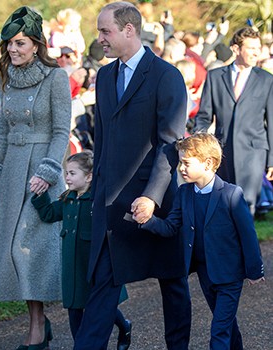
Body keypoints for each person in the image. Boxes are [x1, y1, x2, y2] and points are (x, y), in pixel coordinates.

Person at [73, 2, 190, 350]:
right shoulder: (105, 76)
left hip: (158, 201)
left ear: (129, 30)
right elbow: (104, 140)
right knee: (102, 285)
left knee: (173, 283)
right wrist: (97, 192)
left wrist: (152, 198)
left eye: (105, 31)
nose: (100, 39)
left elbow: (170, 144)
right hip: (112, 203)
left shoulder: (167, 76)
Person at [0, 6, 71, 350]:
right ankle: (37, 323)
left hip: (41, 175)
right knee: (13, 252)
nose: (12, 50)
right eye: (8, 44)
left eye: (19, 43)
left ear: (35, 44)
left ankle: (38, 326)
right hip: (13, 172)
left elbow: (62, 130)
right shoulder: (8, 78)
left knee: (31, 250)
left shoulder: (55, 77)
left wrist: (48, 172)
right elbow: (1, 131)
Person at [135, 132, 265, 350]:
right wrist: (148, 220)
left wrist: (255, 270)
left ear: (208, 163)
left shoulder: (231, 194)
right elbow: (170, 227)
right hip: (206, 273)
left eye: (186, 163)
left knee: (219, 332)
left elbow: (248, 235)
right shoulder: (184, 193)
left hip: (229, 274)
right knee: (226, 324)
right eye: (180, 162)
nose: (181, 168)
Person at [31, 150, 132, 349]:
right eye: (66, 173)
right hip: (72, 265)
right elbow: (49, 214)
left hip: (92, 264)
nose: (66, 178)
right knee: (75, 307)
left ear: (88, 176)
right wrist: (40, 195)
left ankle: (124, 326)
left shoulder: (96, 200)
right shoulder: (67, 199)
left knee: (101, 306)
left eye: (72, 173)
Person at [194, 27, 273, 216]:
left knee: (246, 206)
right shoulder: (214, 77)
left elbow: (271, 121)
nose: (256, 52)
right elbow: (204, 116)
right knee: (222, 205)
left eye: (258, 47)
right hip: (222, 151)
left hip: (254, 151)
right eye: (251, 48)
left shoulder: (266, 79)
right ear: (236, 49)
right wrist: (200, 146)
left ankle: (247, 245)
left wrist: (272, 160)